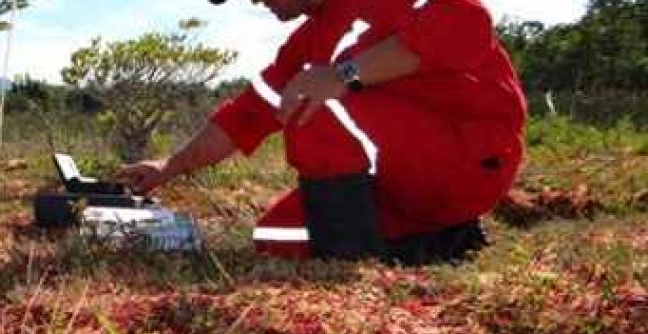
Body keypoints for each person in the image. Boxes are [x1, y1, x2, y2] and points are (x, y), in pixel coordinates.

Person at [116, 0, 527, 265]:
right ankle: (440, 241)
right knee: (275, 236)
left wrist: (344, 75)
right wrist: (168, 166)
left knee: (313, 101)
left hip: (471, 159)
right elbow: (246, 115)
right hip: (402, 186)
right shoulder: (308, 41)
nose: (258, 2)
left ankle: (352, 262)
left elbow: (467, 21)